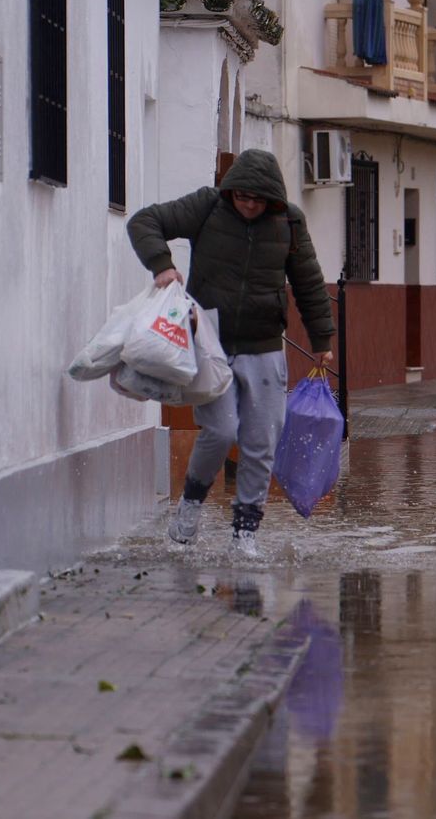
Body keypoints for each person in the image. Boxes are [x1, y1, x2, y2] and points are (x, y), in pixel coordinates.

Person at [126, 148, 334, 557]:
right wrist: (161, 264)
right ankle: (189, 505)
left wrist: (321, 340)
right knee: (220, 432)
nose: (249, 204)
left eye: (257, 200)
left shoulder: (289, 221)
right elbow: (145, 221)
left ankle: (244, 533)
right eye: (241, 197)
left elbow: (309, 282)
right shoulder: (207, 206)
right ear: (230, 191)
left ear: (272, 199)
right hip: (211, 344)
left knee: (261, 442)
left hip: (264, 347)